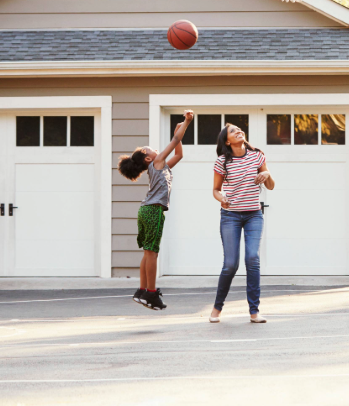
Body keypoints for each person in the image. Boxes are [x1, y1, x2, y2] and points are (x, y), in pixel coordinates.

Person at [118, 110, 193, 310]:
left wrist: (179, 131)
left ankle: (142, 290)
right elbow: (175, 139)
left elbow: (179, 153)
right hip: (152, 211)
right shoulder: (158, 162)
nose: (153, 149)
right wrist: (185, 123)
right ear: (148, 158)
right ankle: (151, 293)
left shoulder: (162, 166)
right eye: (148, 149)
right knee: (152, 253)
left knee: (148, 252)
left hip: (146, 210)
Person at [209, 123, 275, 324]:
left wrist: (267, 175)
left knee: (252, 259)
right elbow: (215, 190)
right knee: (230, 264)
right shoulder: (222, 161)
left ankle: (254, 312)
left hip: (254, 214)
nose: (238, 131)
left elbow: (270, 186)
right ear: (227, 141)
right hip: (230, 216)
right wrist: (221, 198)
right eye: (233, 131)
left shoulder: (257, 156)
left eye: (239, 129)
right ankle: (217, 307)